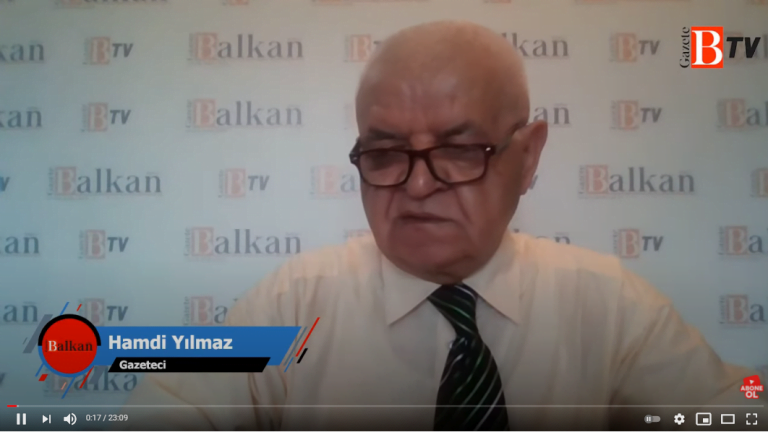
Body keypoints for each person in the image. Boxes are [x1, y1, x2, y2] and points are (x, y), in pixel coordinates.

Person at [121, 21, 761, 431]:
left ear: (528, 156)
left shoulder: (609, 304)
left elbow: (738, 412)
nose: (419, 186)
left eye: (459, 150)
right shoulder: (288, 304)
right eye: (384, 152)